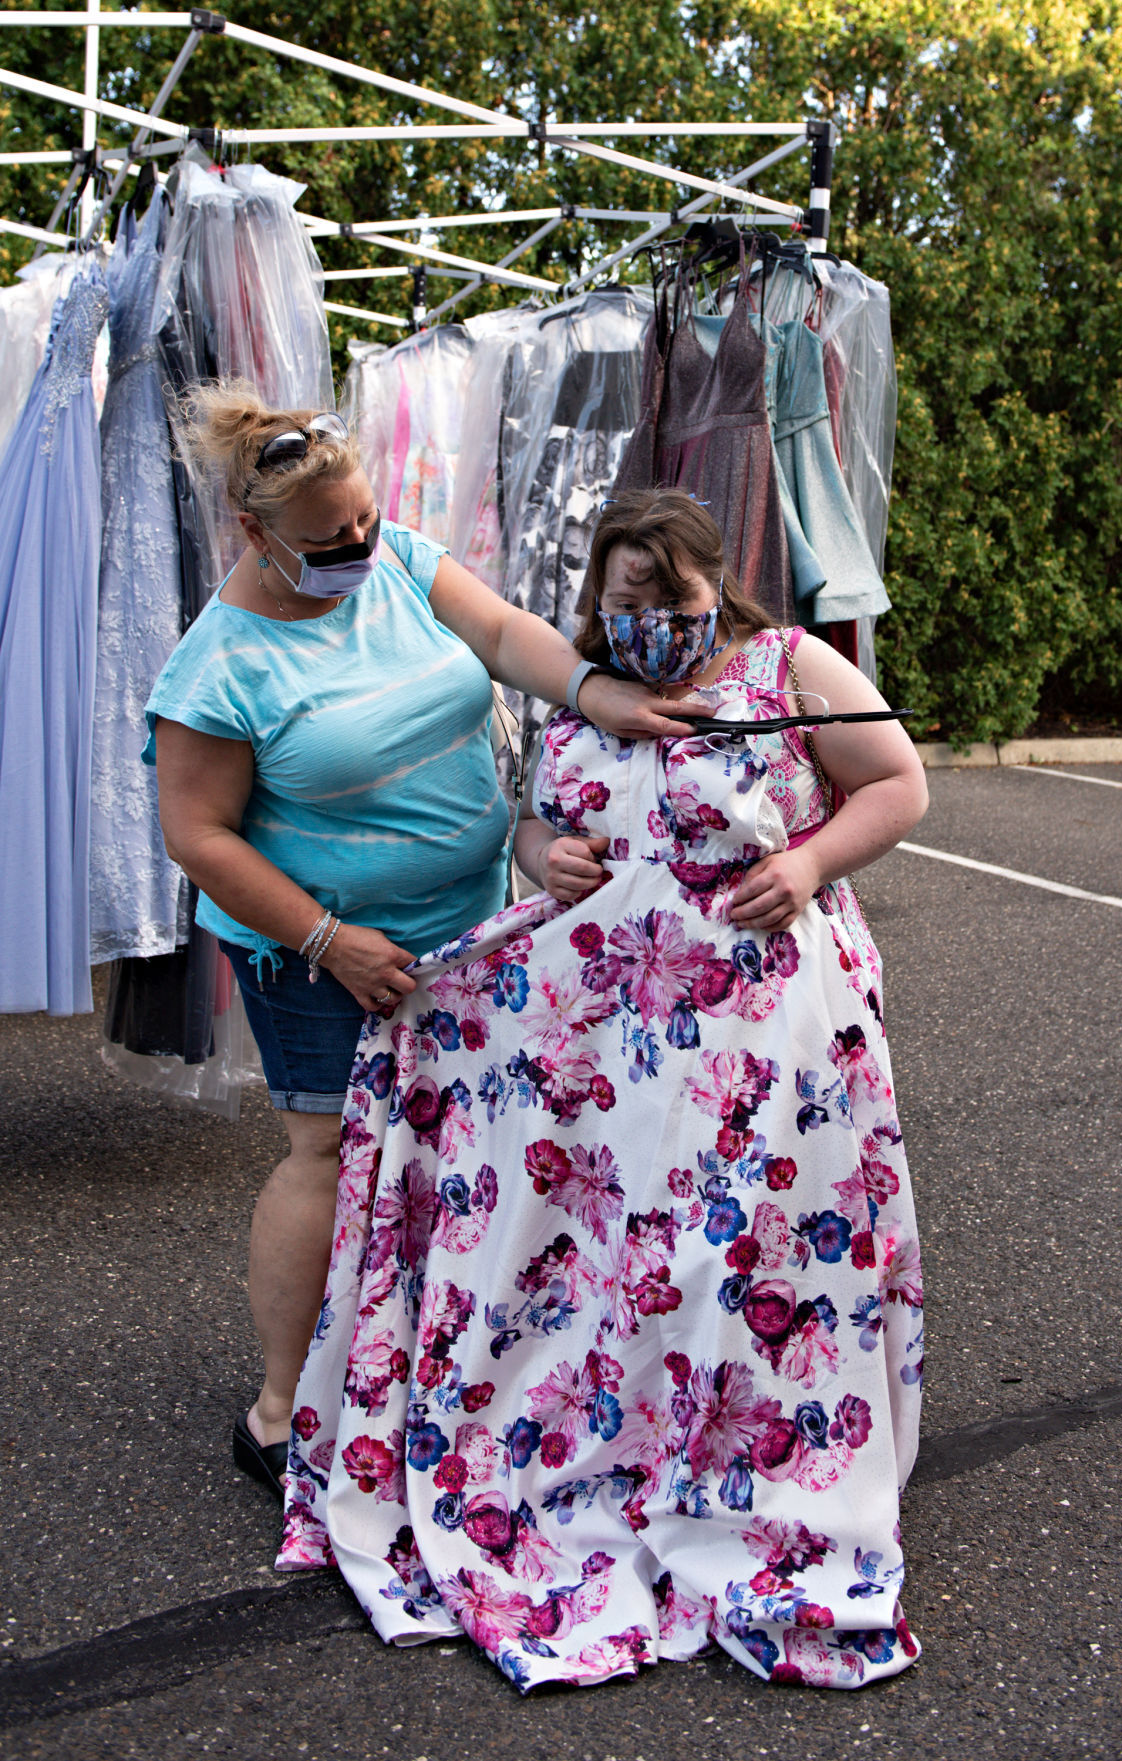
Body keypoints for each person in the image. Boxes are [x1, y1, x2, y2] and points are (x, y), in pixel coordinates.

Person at [275, 488, 930, 1691]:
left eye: (671, 599)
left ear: (712, 586)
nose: (649, 622)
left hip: (765, 1033)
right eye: (625, 600)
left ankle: (739, 1461)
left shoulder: (789, 666)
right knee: (612, 1253)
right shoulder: (579, 689)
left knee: (731, 1261)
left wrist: (807, 859)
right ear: (599, 598)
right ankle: (618, 1440)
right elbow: (531, 823)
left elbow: (898, 784)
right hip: (610, 1039)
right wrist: (543, 854)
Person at [142, 392, 707, 1501]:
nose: (358, 549)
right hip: (317, 951)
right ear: (254, 534)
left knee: (461, 1151)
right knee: (330, 1154)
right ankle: (276, 1412)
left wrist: (598, 694)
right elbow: (196, 835)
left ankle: (420, 1371)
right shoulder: (219, 666)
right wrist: (330, 940)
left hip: (469, 922)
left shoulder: (394, 557)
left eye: (364, 524)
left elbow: (498, 634)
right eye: (327, 542)